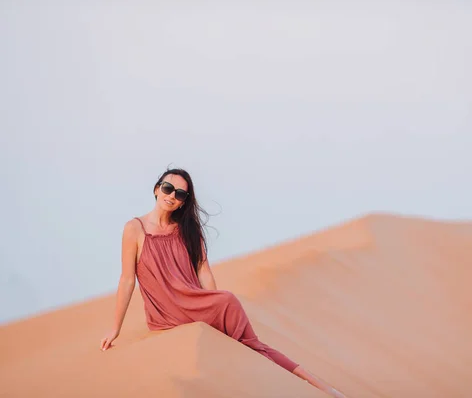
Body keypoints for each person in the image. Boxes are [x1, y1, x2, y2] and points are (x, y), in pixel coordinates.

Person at [100, 168, 346, 398]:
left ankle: (319, 386)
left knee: (252, 344)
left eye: (180, 193)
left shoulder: (187, 230)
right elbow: (127, 280)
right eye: (167, 188)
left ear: (184, 201)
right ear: (156, 189)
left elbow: (203, 271)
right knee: (249, 342)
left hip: (198, 306)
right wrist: (115, 328)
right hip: (165, 316)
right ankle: (315, 386)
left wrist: (211, 304)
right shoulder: (134, 229)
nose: (172, 196)